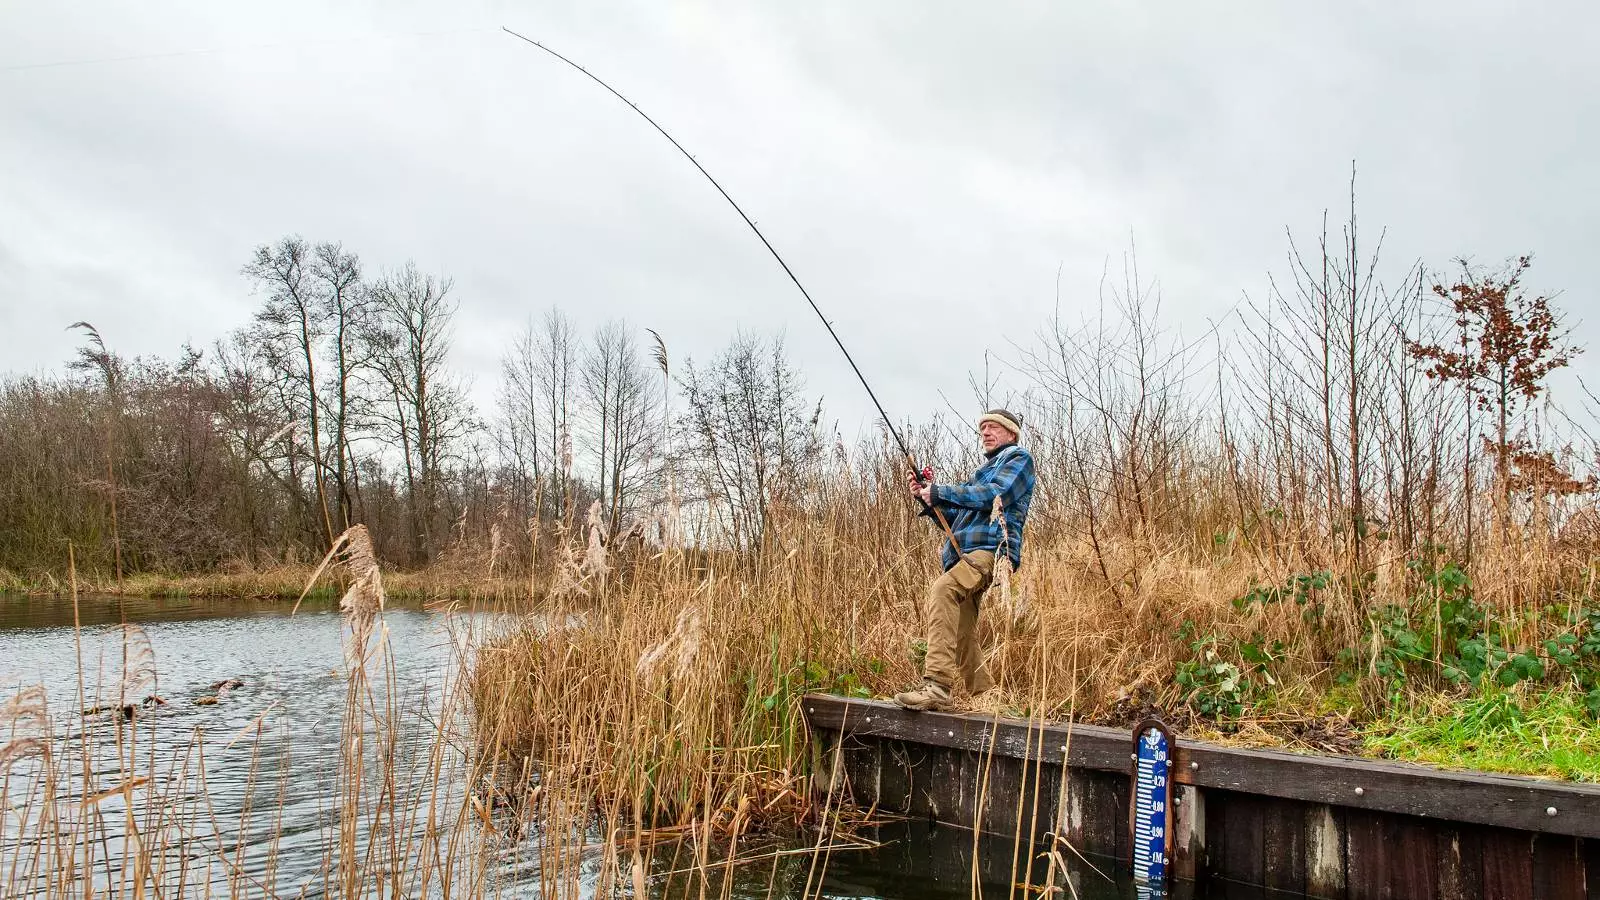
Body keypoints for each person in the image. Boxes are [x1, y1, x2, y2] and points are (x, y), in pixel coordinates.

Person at [894, 409, 1035, 712]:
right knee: (961, 627)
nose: (985, 432)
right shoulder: (980, 475)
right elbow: (956, 520)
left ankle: (937, 686)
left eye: (993, 427)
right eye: (982, 428)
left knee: (943, 590)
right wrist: (928, 499)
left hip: (990, 552)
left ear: (1011, 434)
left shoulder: (1019, 459)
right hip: (966, 555)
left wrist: (942, 491)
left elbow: (995, 496)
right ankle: (983, 696)